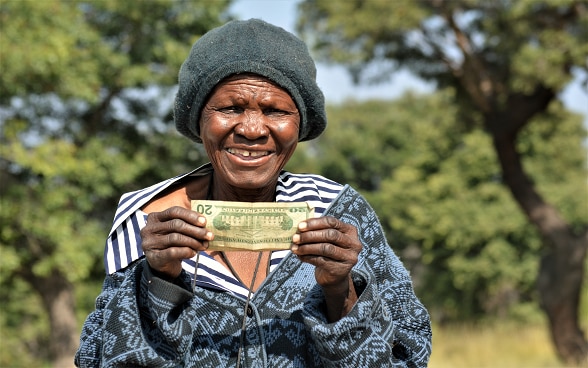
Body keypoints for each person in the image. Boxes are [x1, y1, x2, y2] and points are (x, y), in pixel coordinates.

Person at [75, 19, 432, 368]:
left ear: (299, 125)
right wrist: (161, 280)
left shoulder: (339, 213)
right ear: (199, 119)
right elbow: (98, 359)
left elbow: (409, 355)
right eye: (230, 108)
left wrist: (341, 291)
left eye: (275, 110)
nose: (251, 130)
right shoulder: (146, 222)